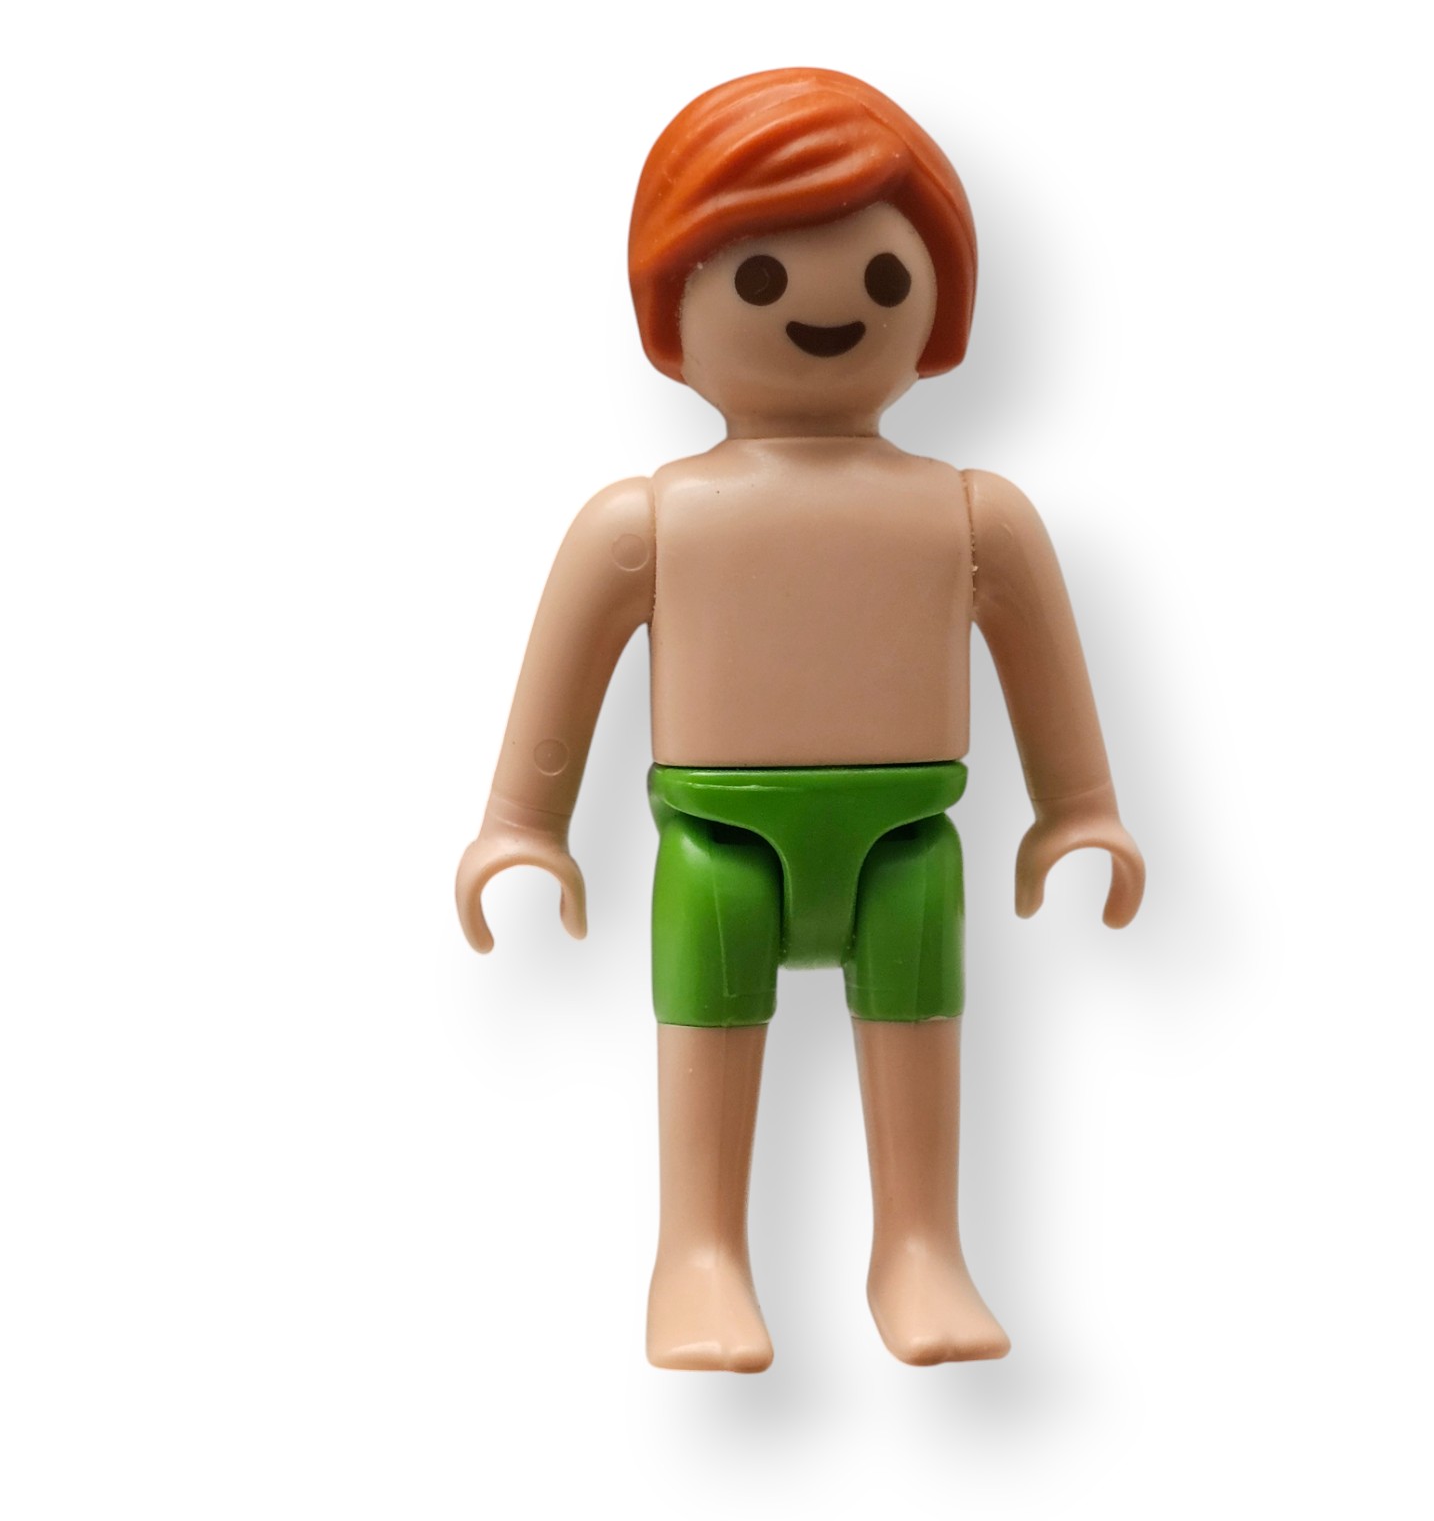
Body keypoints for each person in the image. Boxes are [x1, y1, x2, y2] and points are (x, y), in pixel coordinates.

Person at [456, 68, 1144, 1371]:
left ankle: (921, 1247)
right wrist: (521, 825)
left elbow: (1045, 668)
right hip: (718, 840)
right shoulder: (644, 521)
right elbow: (564, 677)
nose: (827, 308)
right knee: (707, 1041)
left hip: (906, 839)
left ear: (941, 305)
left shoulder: (974, 515)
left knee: (919, 1035)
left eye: (884, 275)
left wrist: (1080, 808)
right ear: (671, 313)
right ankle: (698, 1255)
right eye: (759, 277)